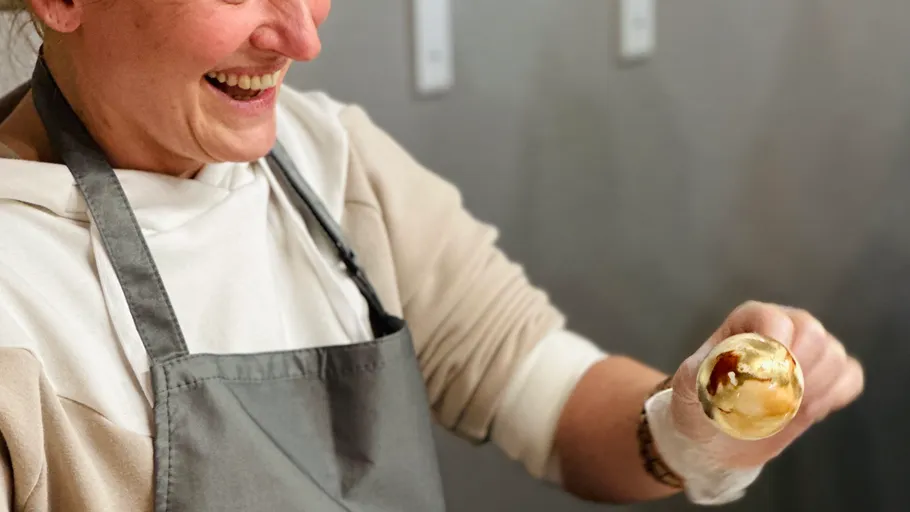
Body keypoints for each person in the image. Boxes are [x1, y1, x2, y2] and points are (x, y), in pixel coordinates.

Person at [0, 0, 864, 510]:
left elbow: (554, 400)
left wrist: (699, 424)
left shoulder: (333, 164)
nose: (302, 37)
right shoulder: (18, 287)